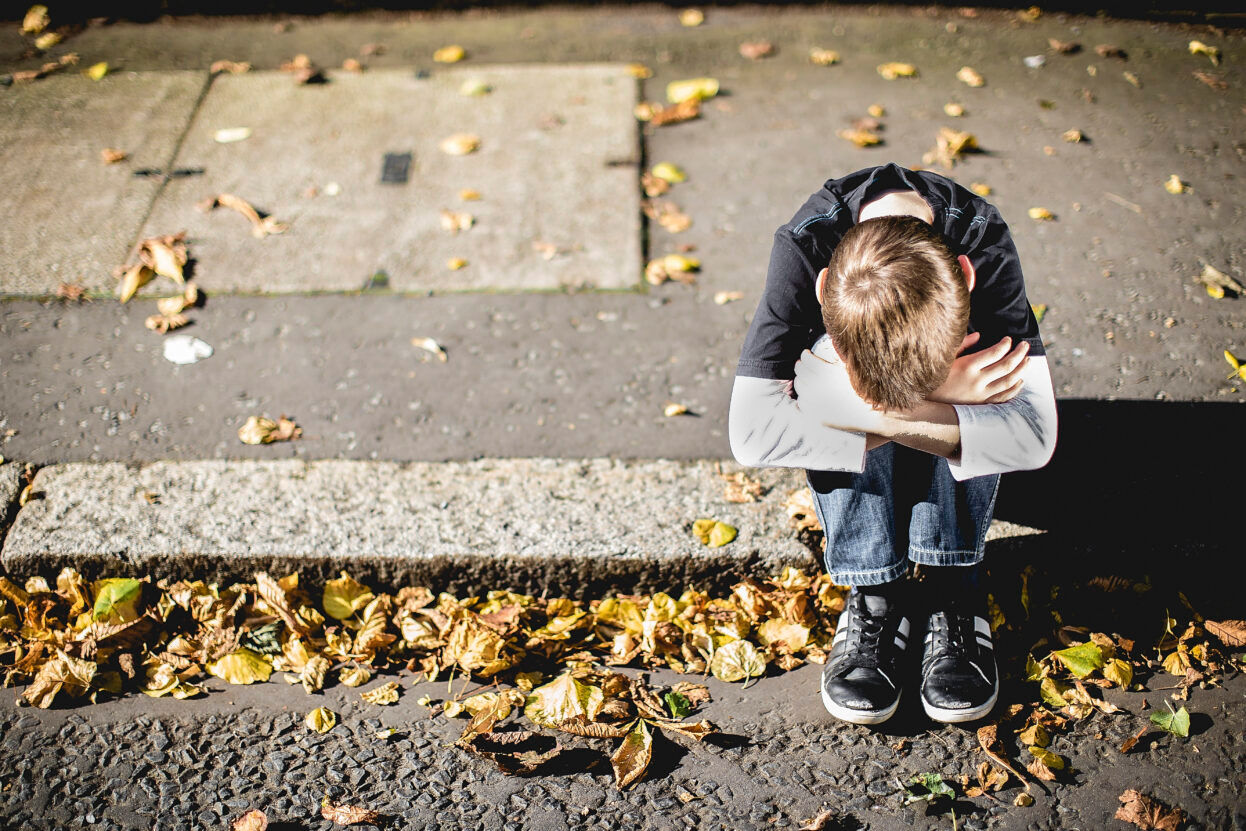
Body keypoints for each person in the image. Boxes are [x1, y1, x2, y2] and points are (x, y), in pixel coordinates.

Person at [729, 163, 1057, 725]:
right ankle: (873, 589)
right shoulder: (806, 246)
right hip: (907, 402)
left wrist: (847, 402)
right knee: (843, 378)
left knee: (975, 387)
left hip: (939, 414)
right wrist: (923, 394)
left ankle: (953, 586)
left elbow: (1033, 436)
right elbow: (751, 434)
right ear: (824, 284)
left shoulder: (983, 242)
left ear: (965, 275)